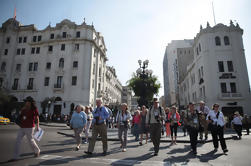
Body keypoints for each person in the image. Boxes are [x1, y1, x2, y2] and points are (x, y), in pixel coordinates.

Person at [9, 97, 40, 161]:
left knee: (31, 141)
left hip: (30, 127)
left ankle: (37, 151)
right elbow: (21, 117)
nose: (26, 103)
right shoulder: (24, 108)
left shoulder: (34, 109)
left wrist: (38, 126)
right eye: (25, 102)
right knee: (17, 141)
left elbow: (37, 118)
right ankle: (15, 157)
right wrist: (21, 111)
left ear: (30, 102)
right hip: (22, 127)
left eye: (27, 101)